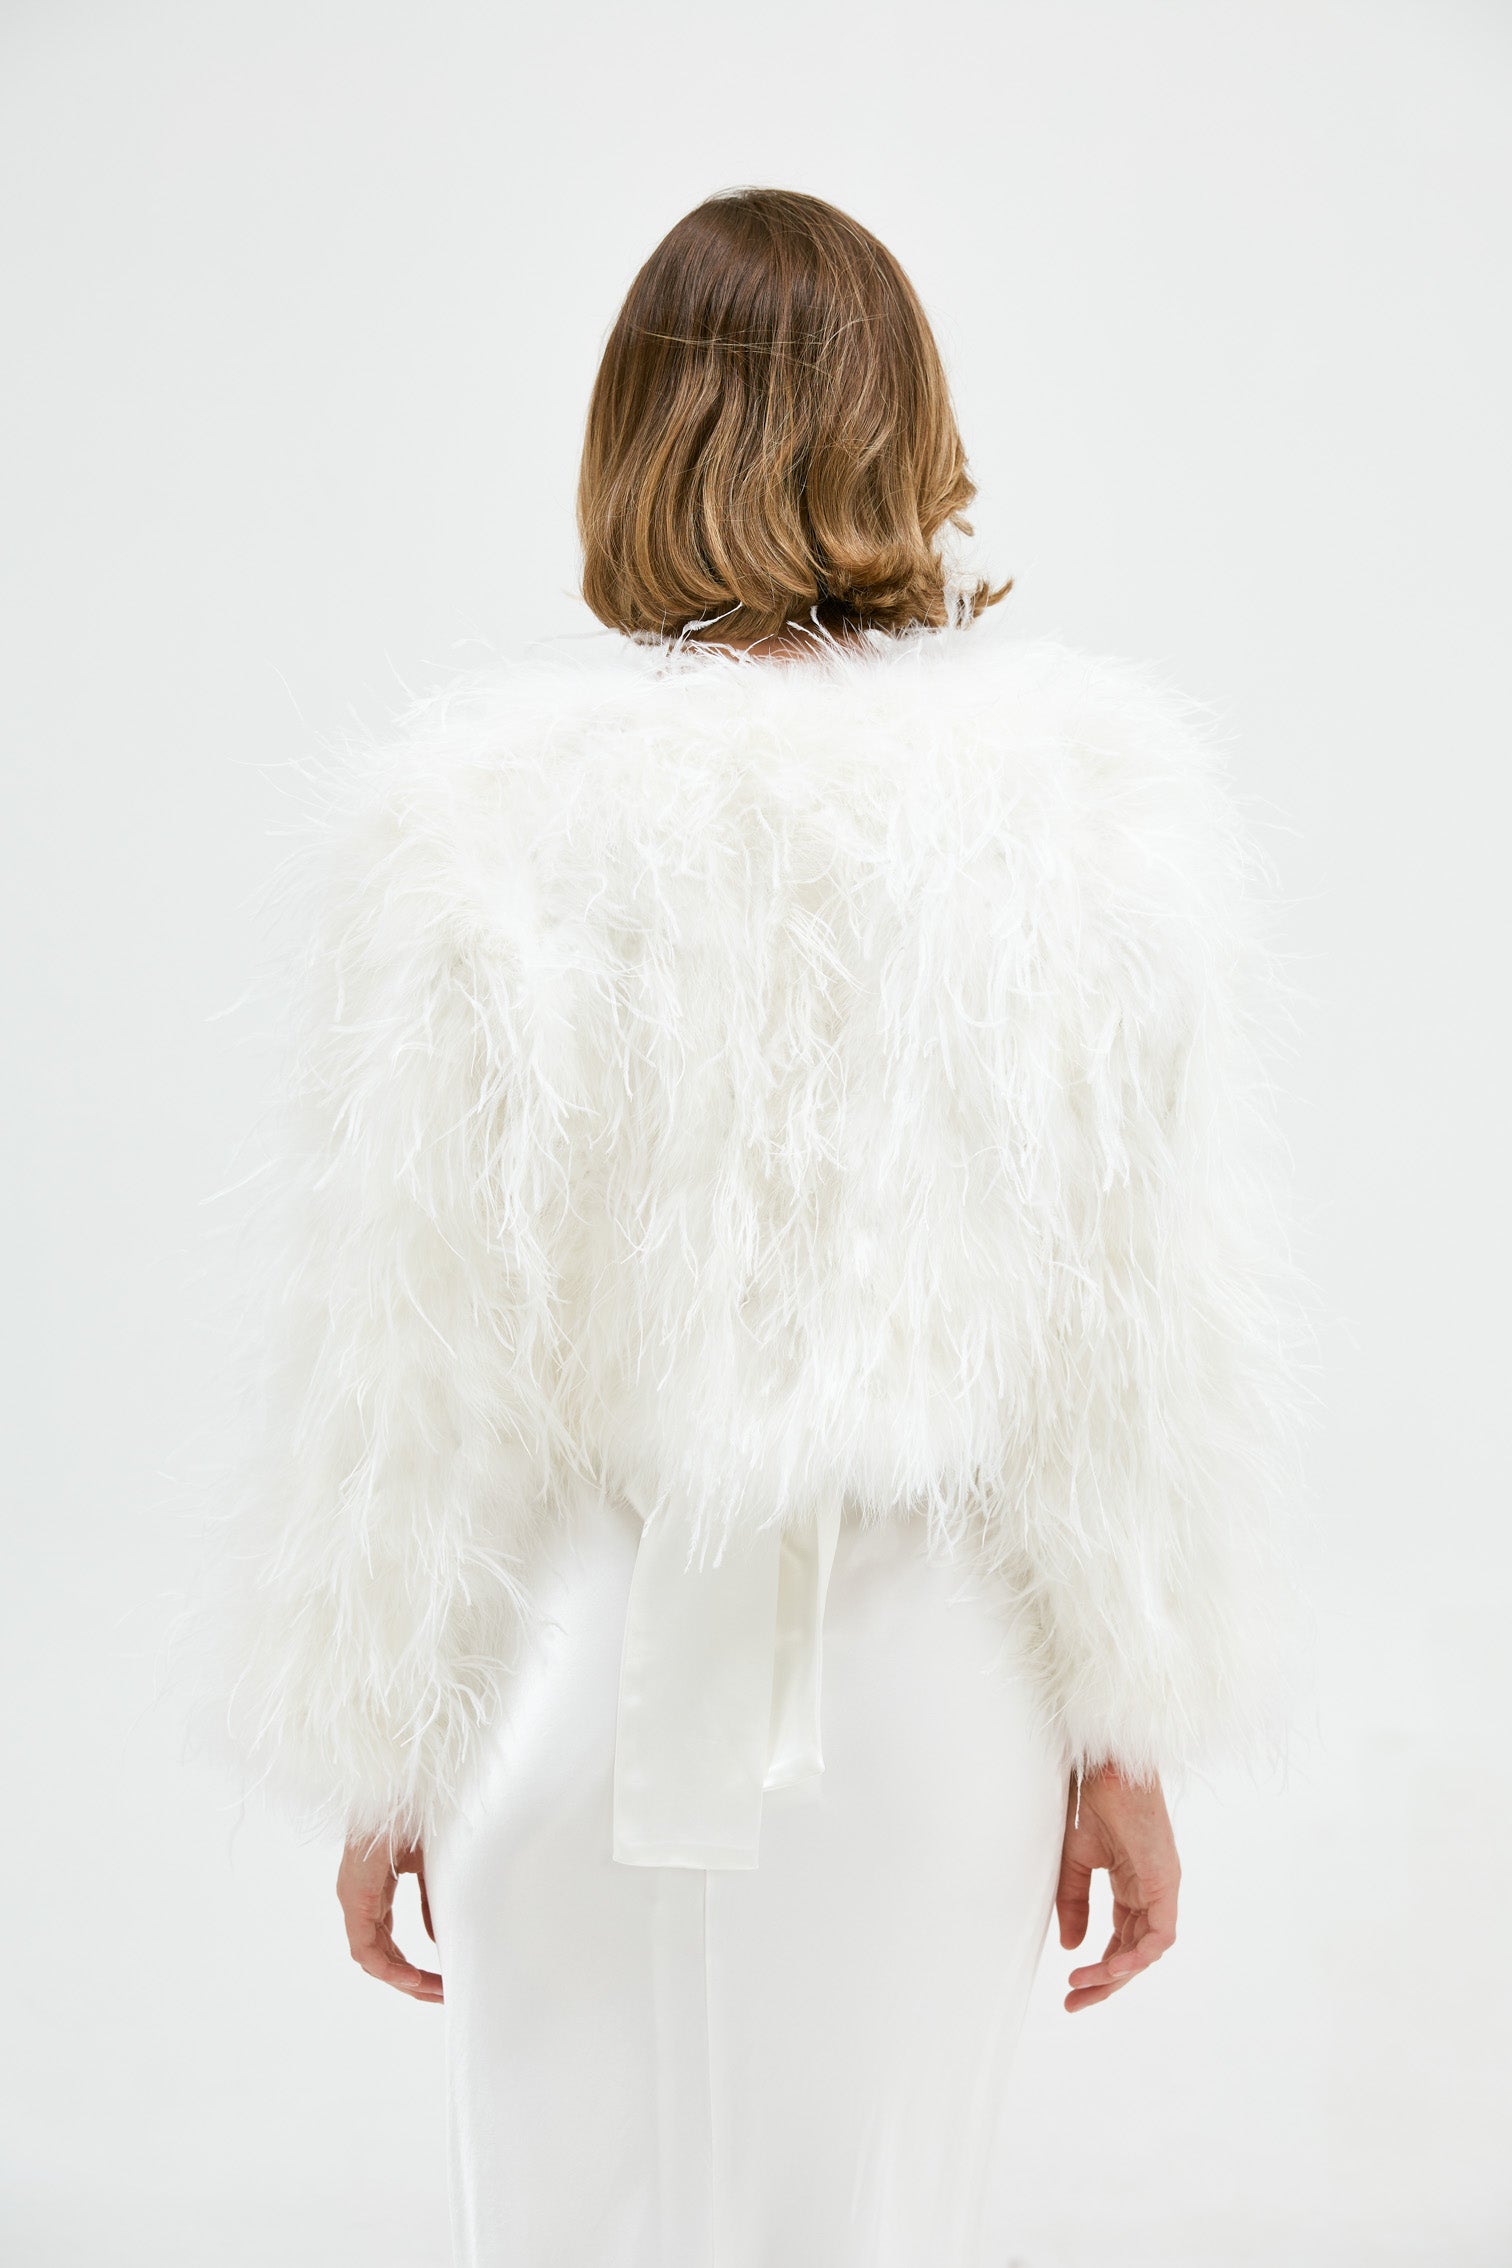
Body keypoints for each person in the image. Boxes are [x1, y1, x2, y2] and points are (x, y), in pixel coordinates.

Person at [205, 187, 1305, 2267]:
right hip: (929, 1693)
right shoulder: (1074, 830)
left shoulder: (476, 832)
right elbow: (1130, 1359)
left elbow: (410, 1358)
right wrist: (1123, 1736)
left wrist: (386, 1745)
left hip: (574, 1674)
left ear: (634, 440)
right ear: (908, 428)